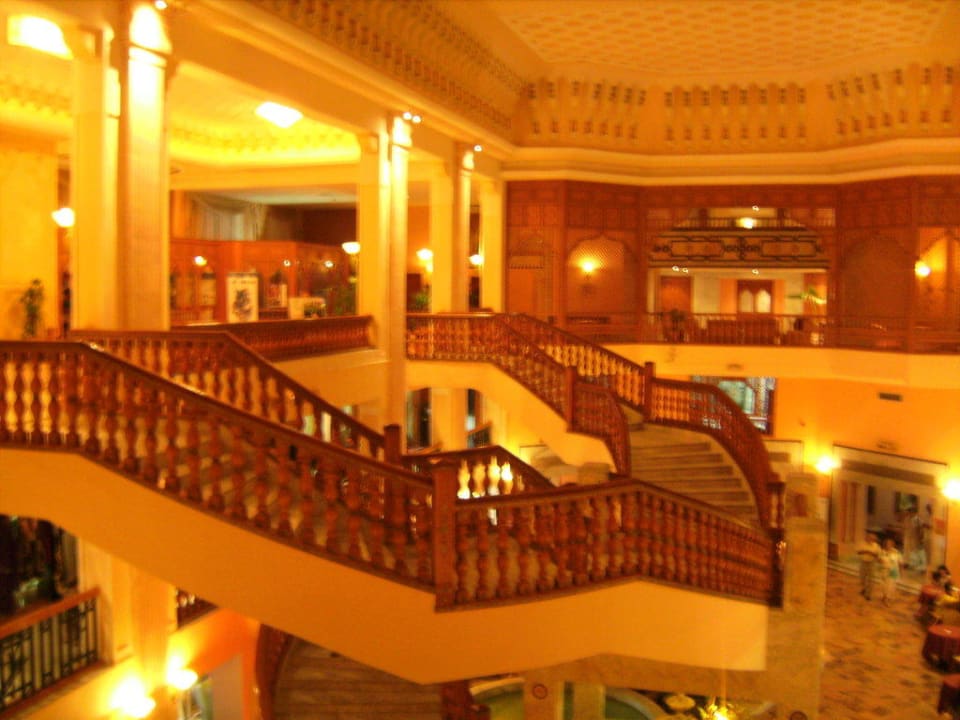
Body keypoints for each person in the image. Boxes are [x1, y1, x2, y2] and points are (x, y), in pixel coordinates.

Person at [856, 532, 882, 600]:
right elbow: (858, 552)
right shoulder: (862, 543)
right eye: (869, 537)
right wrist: (865, 551)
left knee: (871, 579)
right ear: (866, 537)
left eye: (872, 538)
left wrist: (872, 554)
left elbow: (878, 556)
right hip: (863, 562)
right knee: (862, 578)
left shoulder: (876, 546)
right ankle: (864, 588)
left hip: (872, 563)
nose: (871, 539)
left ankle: (868, 594)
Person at [880, 537, 903, 606]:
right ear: (885, 544)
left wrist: (901, 572)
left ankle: (887, 599)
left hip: (893, 572)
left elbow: (900, 563)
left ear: (893, 545)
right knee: (884, 585)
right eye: (887, 544)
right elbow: (880, 560)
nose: (888, 545)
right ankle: (884, 596)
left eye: (890, 544)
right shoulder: (883, 552)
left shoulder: (896, 552)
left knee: (891, 586)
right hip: (884, 571)